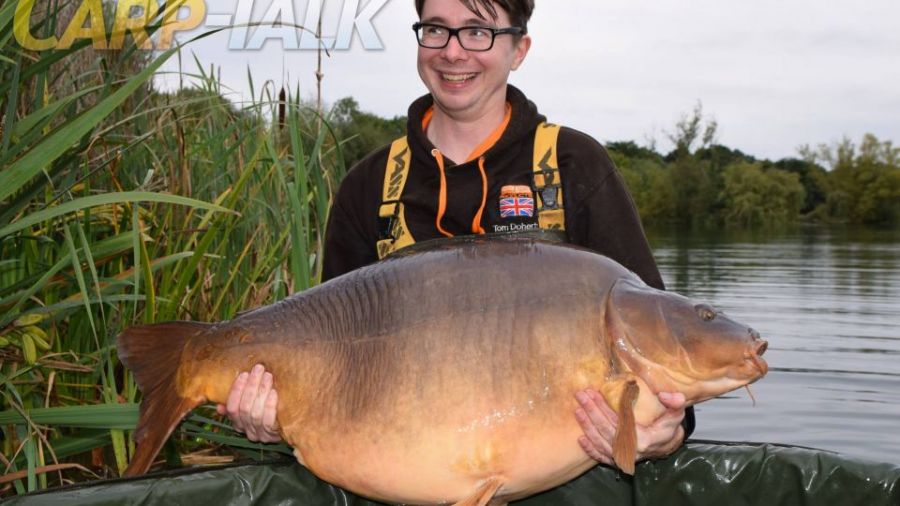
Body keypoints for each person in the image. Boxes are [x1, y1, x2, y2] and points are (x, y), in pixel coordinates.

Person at [217, 0, 693, 470]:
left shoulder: (573, 165)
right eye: (436, 29)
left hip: (557, 476)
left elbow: (660, 337)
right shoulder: (369, 184)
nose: (452, 51)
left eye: (477, 31)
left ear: (519, 49)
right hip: (404, 469)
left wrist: (665, 432)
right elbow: (332, 349)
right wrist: (280, 414)